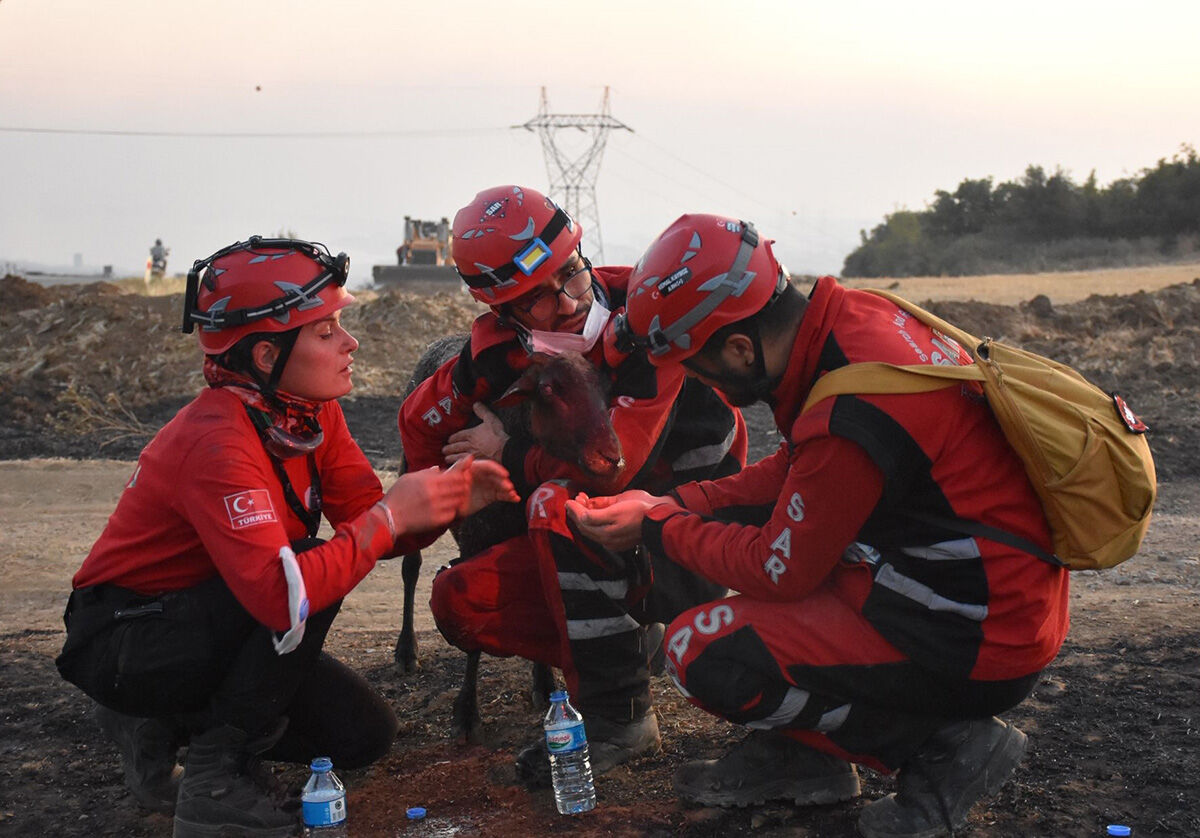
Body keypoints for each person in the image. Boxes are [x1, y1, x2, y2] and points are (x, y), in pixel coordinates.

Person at [567, 214, 1070, 838]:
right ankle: (804, 757)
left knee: (699, 648)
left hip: (971, 634)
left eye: (698, 371)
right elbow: (796, 467)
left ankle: (945, 749)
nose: (701, 384)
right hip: (971, 591)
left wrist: (660, 527)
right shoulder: (854, 326)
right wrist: (679, 502)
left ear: (739, 349)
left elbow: (778, 568)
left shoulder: (854, 411)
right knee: (771, 599)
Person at [56, 236, 517, 838]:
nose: (350, 343)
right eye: (325, 333)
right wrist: (389, 518)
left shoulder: (308, 414)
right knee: (303, 571)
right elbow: (287, 594)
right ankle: (214, 784)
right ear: (268, 356)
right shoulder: (218, 440)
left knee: (362, 735)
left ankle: (160, 725)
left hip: (211, 620)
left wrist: (445, 499)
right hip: (127, 638)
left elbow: (371, 524)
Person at [397, 185, 747, 782]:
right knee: (464, 600)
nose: (566, 304)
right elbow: (418, 420)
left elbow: (611, 468)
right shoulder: (493, 355)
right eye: (536, 300)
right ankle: (617, 651)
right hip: (615, 537)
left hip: (695, 538)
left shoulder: (647, 323)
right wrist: (425, 506)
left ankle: (621, 715)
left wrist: (506, 453)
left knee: (556, 505)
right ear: (500, 309)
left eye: (572, 277)